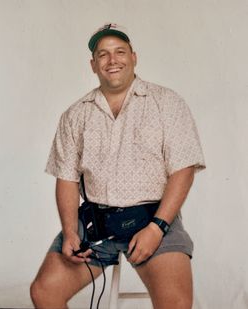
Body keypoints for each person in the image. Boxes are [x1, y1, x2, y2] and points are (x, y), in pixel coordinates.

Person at [30, 23, 205, 309]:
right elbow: (66, 178)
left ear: (134, 57)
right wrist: (71, 232)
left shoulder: (167, 102)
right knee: (44, 292)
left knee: (175, 303)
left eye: (120, 52)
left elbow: (183, 170)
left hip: (154, 218)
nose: (112, 60)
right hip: (94, 223)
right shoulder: (75, 115)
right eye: (103, 54)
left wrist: (157, 228)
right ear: (93, 65)